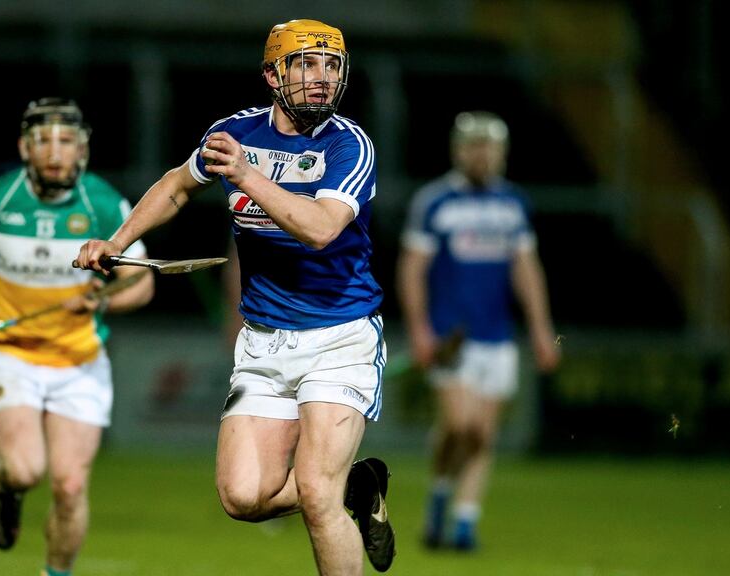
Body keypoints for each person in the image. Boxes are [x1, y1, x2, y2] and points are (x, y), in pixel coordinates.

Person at [74, 19, 396, 574]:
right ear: (273, 75)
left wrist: (248, 176)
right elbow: (176, 185)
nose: (322, 78)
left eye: (333, 65)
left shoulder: (350, 144)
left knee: (318, 495)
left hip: (339, 336)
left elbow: (320, 228)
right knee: (243, 497)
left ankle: (336, 486)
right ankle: (359, 483)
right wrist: (117, 241)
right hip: (264, 342)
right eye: (306, 64)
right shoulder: (235, 132)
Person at [0, 98, 154, 576]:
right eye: (44, 142)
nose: (56, 154)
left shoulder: (104, 203)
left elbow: (143, 282)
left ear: (83, 149)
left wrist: (101, 299)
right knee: (24, 470)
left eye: (67, 142)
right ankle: (8, 490)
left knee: (70, 486)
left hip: (80, 360)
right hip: (11, 355)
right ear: (24, 148)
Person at [397, 110, 561, 551]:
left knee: (483, 434)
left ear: (502, 153)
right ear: (458, 150)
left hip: (498, 337)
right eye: (473, 146)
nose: (481, 155)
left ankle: (465, 521)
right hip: (453, 338)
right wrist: (419, 330)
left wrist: (542, 330)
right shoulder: (435, 201)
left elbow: (527, 270)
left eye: (489, 147)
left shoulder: (513, 204)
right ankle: (438, 495)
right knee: (459, 424)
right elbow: (412, 270)